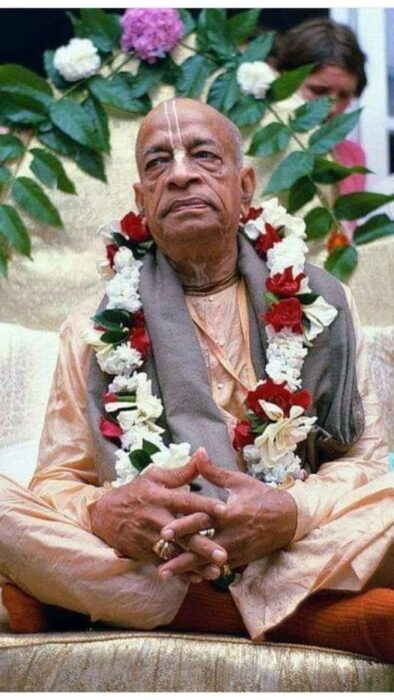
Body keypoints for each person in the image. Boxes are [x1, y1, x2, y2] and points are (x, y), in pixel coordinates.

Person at [0, 98, 393, 661]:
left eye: (203, 155)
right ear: (141, 199)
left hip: (291, 537)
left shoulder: (321, 301)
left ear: (245, 185)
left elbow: (364, 461)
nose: (180, 174)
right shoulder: (92, 328)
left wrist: (289, 514)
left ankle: (96, 601)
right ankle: (308, 619)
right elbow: (58, 480)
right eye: (158, 163)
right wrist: (105, 514)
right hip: (158, 549)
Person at [272, 17, 367, 197]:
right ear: (282, 77)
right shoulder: (255, 143)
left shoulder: (353, 156)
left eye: (345, 95)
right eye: (318, 91)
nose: (332, 108)